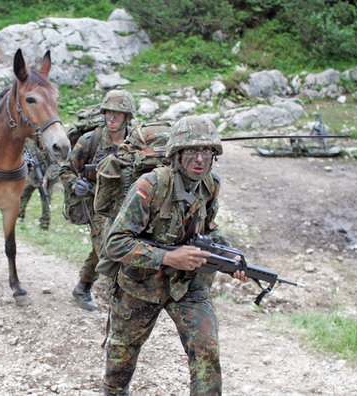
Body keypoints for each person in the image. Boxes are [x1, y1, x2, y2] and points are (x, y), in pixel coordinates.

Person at [101, 115, 249, 396]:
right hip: (140, 285)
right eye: (192, 151)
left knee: (206, 351)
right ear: (177, 154)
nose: (200, 160)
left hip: (188, 285)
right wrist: (167, 257)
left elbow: (209, 229)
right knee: (121, 359)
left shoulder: (210, 185)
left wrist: (232, 257)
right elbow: (116, 243)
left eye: (207, 152)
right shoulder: (150, 186)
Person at [59, 89, 136, 311]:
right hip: (97, 206)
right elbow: (65, 168)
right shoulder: (90, 140)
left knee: (102, 249)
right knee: (109, 250)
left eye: (117, 114)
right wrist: (75, 184)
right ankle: (121, 304)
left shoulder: (136, 142)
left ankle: (82, 286)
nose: (111, 118)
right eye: (108, 113)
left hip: (127, 207)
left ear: (127, 117)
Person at [18, 139, 60, 230]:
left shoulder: (52, 144)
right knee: (23, 194)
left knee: (46, 199)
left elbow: (56, 165)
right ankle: (19, 216)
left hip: (46, 176)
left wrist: (47, 177)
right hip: (32, 175)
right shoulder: (29, 140)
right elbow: (23, 153)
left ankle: (45, 224)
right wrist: (28, 164)